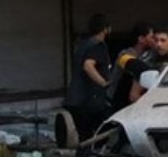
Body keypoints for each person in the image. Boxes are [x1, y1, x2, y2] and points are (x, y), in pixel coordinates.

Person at [62, 14, 113, 142]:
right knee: (99, 136)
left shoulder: (83, 44)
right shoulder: (98, 46)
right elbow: (88, 66)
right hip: (88, 101)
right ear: (105, 29)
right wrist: (104, 83)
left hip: (74, 100)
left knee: (84, 138)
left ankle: (84, 154)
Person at [109, 22, 156, 112]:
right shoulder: (125, 55)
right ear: (141, 39)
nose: (155, 41)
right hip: (116, 104)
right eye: (152, 37)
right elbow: (138, 68)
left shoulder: (149, 56)